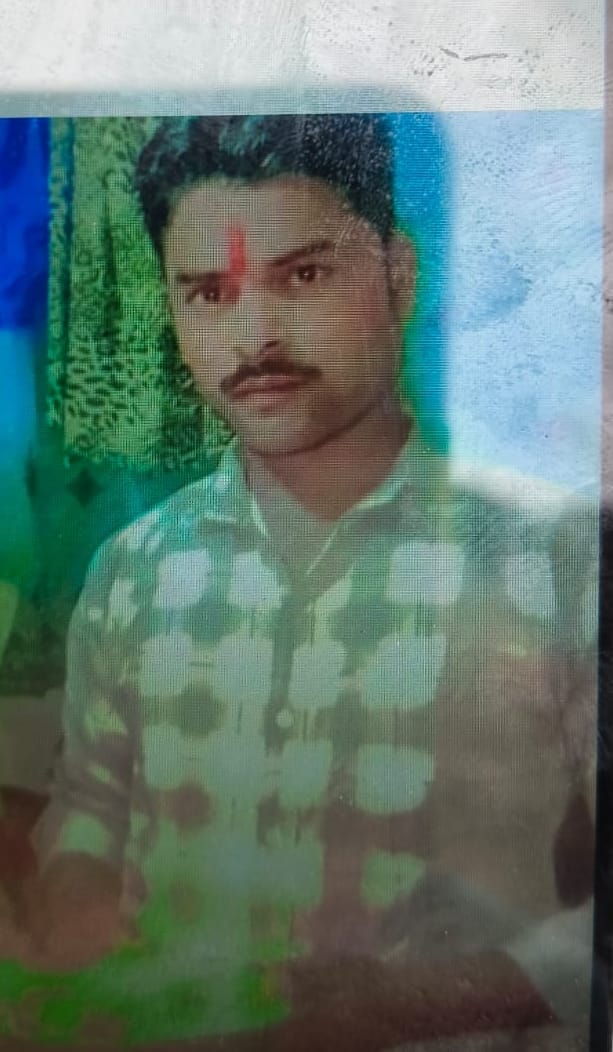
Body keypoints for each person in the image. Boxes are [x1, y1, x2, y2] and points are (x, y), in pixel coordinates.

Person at [5, 115, 599, 1050]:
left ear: (397, 276)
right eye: (209, 293)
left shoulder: (558, 562)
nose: (254, 337)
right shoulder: (131, 571)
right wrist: (78, 914)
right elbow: (90, 806)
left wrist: (399, 1005)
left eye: (304, 276)